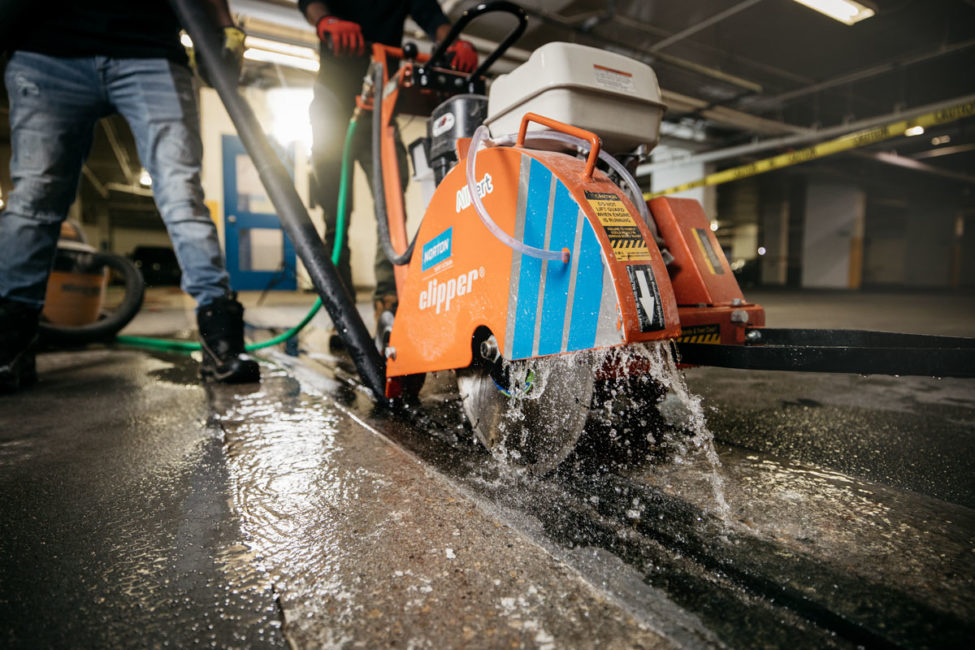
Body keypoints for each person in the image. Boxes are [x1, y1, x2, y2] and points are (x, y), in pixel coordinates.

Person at [0, 0, 260, 392]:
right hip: (48, 50)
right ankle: (11, 341)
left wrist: (226, 29)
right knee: (36, 198)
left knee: (182, 192)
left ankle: (221, 336)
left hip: (150, 48)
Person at [298, 0, 478, 329]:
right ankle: (343, 311)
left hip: (381, 100)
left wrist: (454, 41)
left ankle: (388, 302)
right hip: (333, 103)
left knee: (391, 207)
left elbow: (430, 15)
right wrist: (327, 19)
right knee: (336, 217)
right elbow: (309, 1)